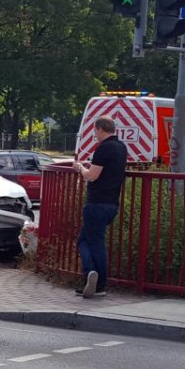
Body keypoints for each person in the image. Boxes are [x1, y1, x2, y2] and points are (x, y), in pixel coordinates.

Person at [72, 115, 128, 298]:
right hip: (112, 202)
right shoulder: (121, 147)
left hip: (96, 202)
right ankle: (96, 283)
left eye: (95, 130)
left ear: (100, 129)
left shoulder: (104, 148)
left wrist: (80, 167)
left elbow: (92, 176)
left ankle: (93, 276)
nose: (95, 134)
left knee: (89, 242)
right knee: (92, 240)